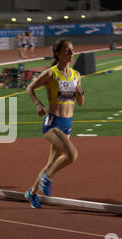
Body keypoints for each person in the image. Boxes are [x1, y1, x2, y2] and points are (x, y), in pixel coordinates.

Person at [24, 38, 85, 208]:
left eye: (72, 50)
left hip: (68, 123)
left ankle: (32, 192)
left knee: (52, 163)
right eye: (67, 50)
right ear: (58, 53)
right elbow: (29, 88)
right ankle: (47, 178)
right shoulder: (50, 73)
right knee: (72, 155)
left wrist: (80, 93)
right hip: (53, 123)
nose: (71, 53)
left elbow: (80, 102)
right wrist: (38, 103)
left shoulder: (76, 75)